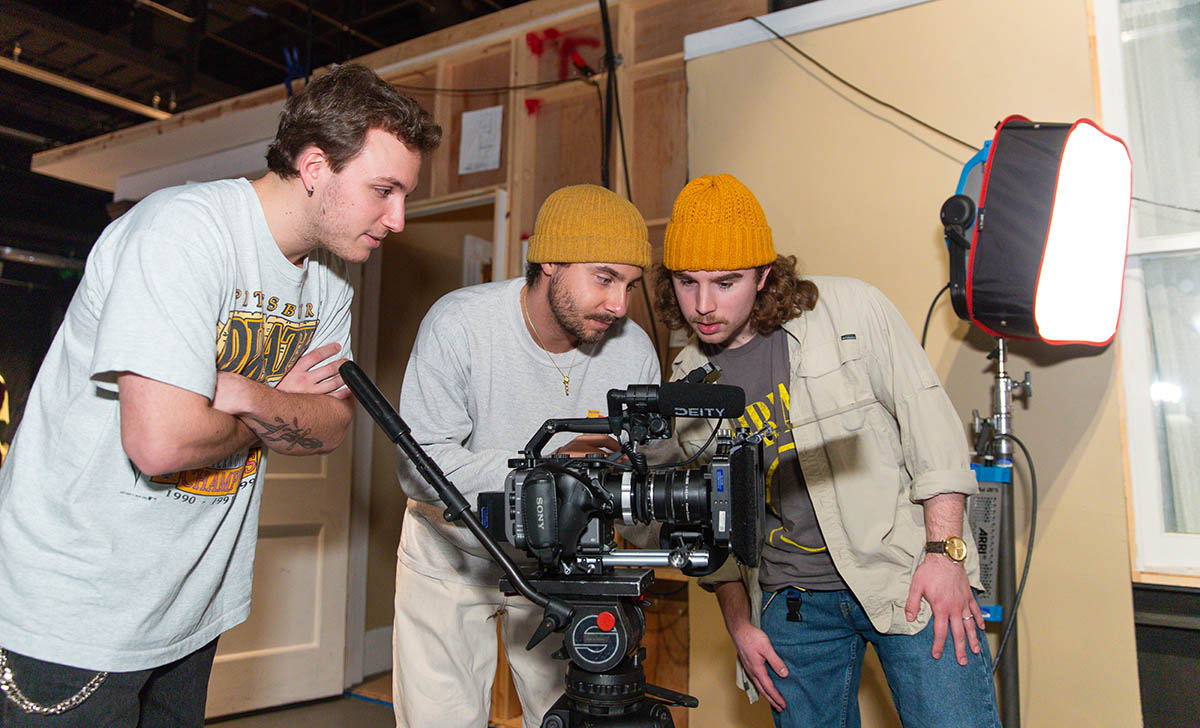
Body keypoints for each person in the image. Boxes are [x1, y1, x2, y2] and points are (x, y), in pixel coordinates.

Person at [0, 63, 441, 727]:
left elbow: (331, 427)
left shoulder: (329, 283)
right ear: (315, 164)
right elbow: (160, 441)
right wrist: (272, 406)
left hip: (191, 607)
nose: (399, 218)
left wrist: (245, 396)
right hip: (77, 608)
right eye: (384, 190)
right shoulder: (183, 233)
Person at [652, 174, 1001, 728]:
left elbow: (932, 428)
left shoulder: (851, 310)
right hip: (791, 606)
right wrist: (740, 624)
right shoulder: (688, 378)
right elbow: (712, 522)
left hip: (904, 577)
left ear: (765, 274)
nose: (703, 305)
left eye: (725, 282)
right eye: (686, 283)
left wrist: (946, 555)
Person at [391, 183, 661, 728]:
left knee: (568, 717)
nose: (619, 304)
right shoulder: (460, 324)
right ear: (549, 263)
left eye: (630, 285)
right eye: (604, 278)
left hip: (561, 567)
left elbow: (640, 477)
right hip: (452, 558)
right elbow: (421, 467)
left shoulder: (632, 350)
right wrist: (554, 468)